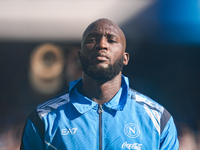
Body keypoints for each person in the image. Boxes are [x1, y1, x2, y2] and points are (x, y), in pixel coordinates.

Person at [20, 18, 179, 150]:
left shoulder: (158, 120)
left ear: (125, 58)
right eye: (92, 40)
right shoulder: (43, 118)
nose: (101, 45)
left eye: (111, 40)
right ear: (79, 56)